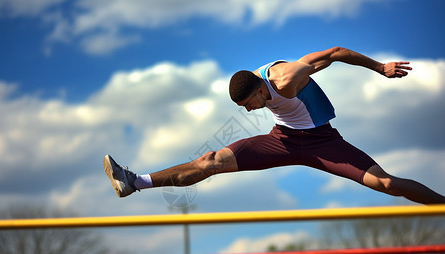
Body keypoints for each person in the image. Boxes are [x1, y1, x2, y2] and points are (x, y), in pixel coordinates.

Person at [104, 46, 445, 206]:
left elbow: (337, 52)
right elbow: (254, 103)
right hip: (281, 140)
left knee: (386, 182)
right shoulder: (252, 87)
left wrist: (379, 67)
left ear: (259, 89)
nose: (251, 111)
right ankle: (134, 182)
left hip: (323, 143)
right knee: (209, 161)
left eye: (249, 104)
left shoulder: (285, 79)